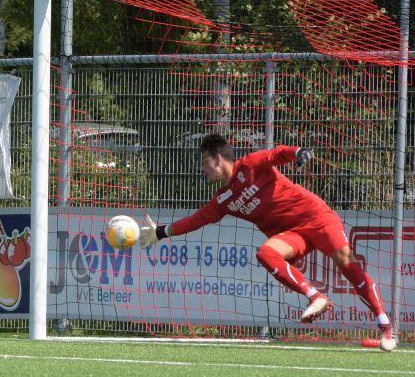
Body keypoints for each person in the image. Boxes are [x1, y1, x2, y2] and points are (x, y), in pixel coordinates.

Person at [138, 133, 396, 351]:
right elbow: (198, 219)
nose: (202, 168)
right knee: (265, 253)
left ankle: (385, 327)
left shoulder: (249, 164)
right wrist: (161, 232)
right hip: (294, 234)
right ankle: (315, 296)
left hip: (316, 217)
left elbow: (276, 154)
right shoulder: (223, 199)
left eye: (205, 162)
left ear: (218, 160)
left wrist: (298, 152)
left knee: (347, 264)